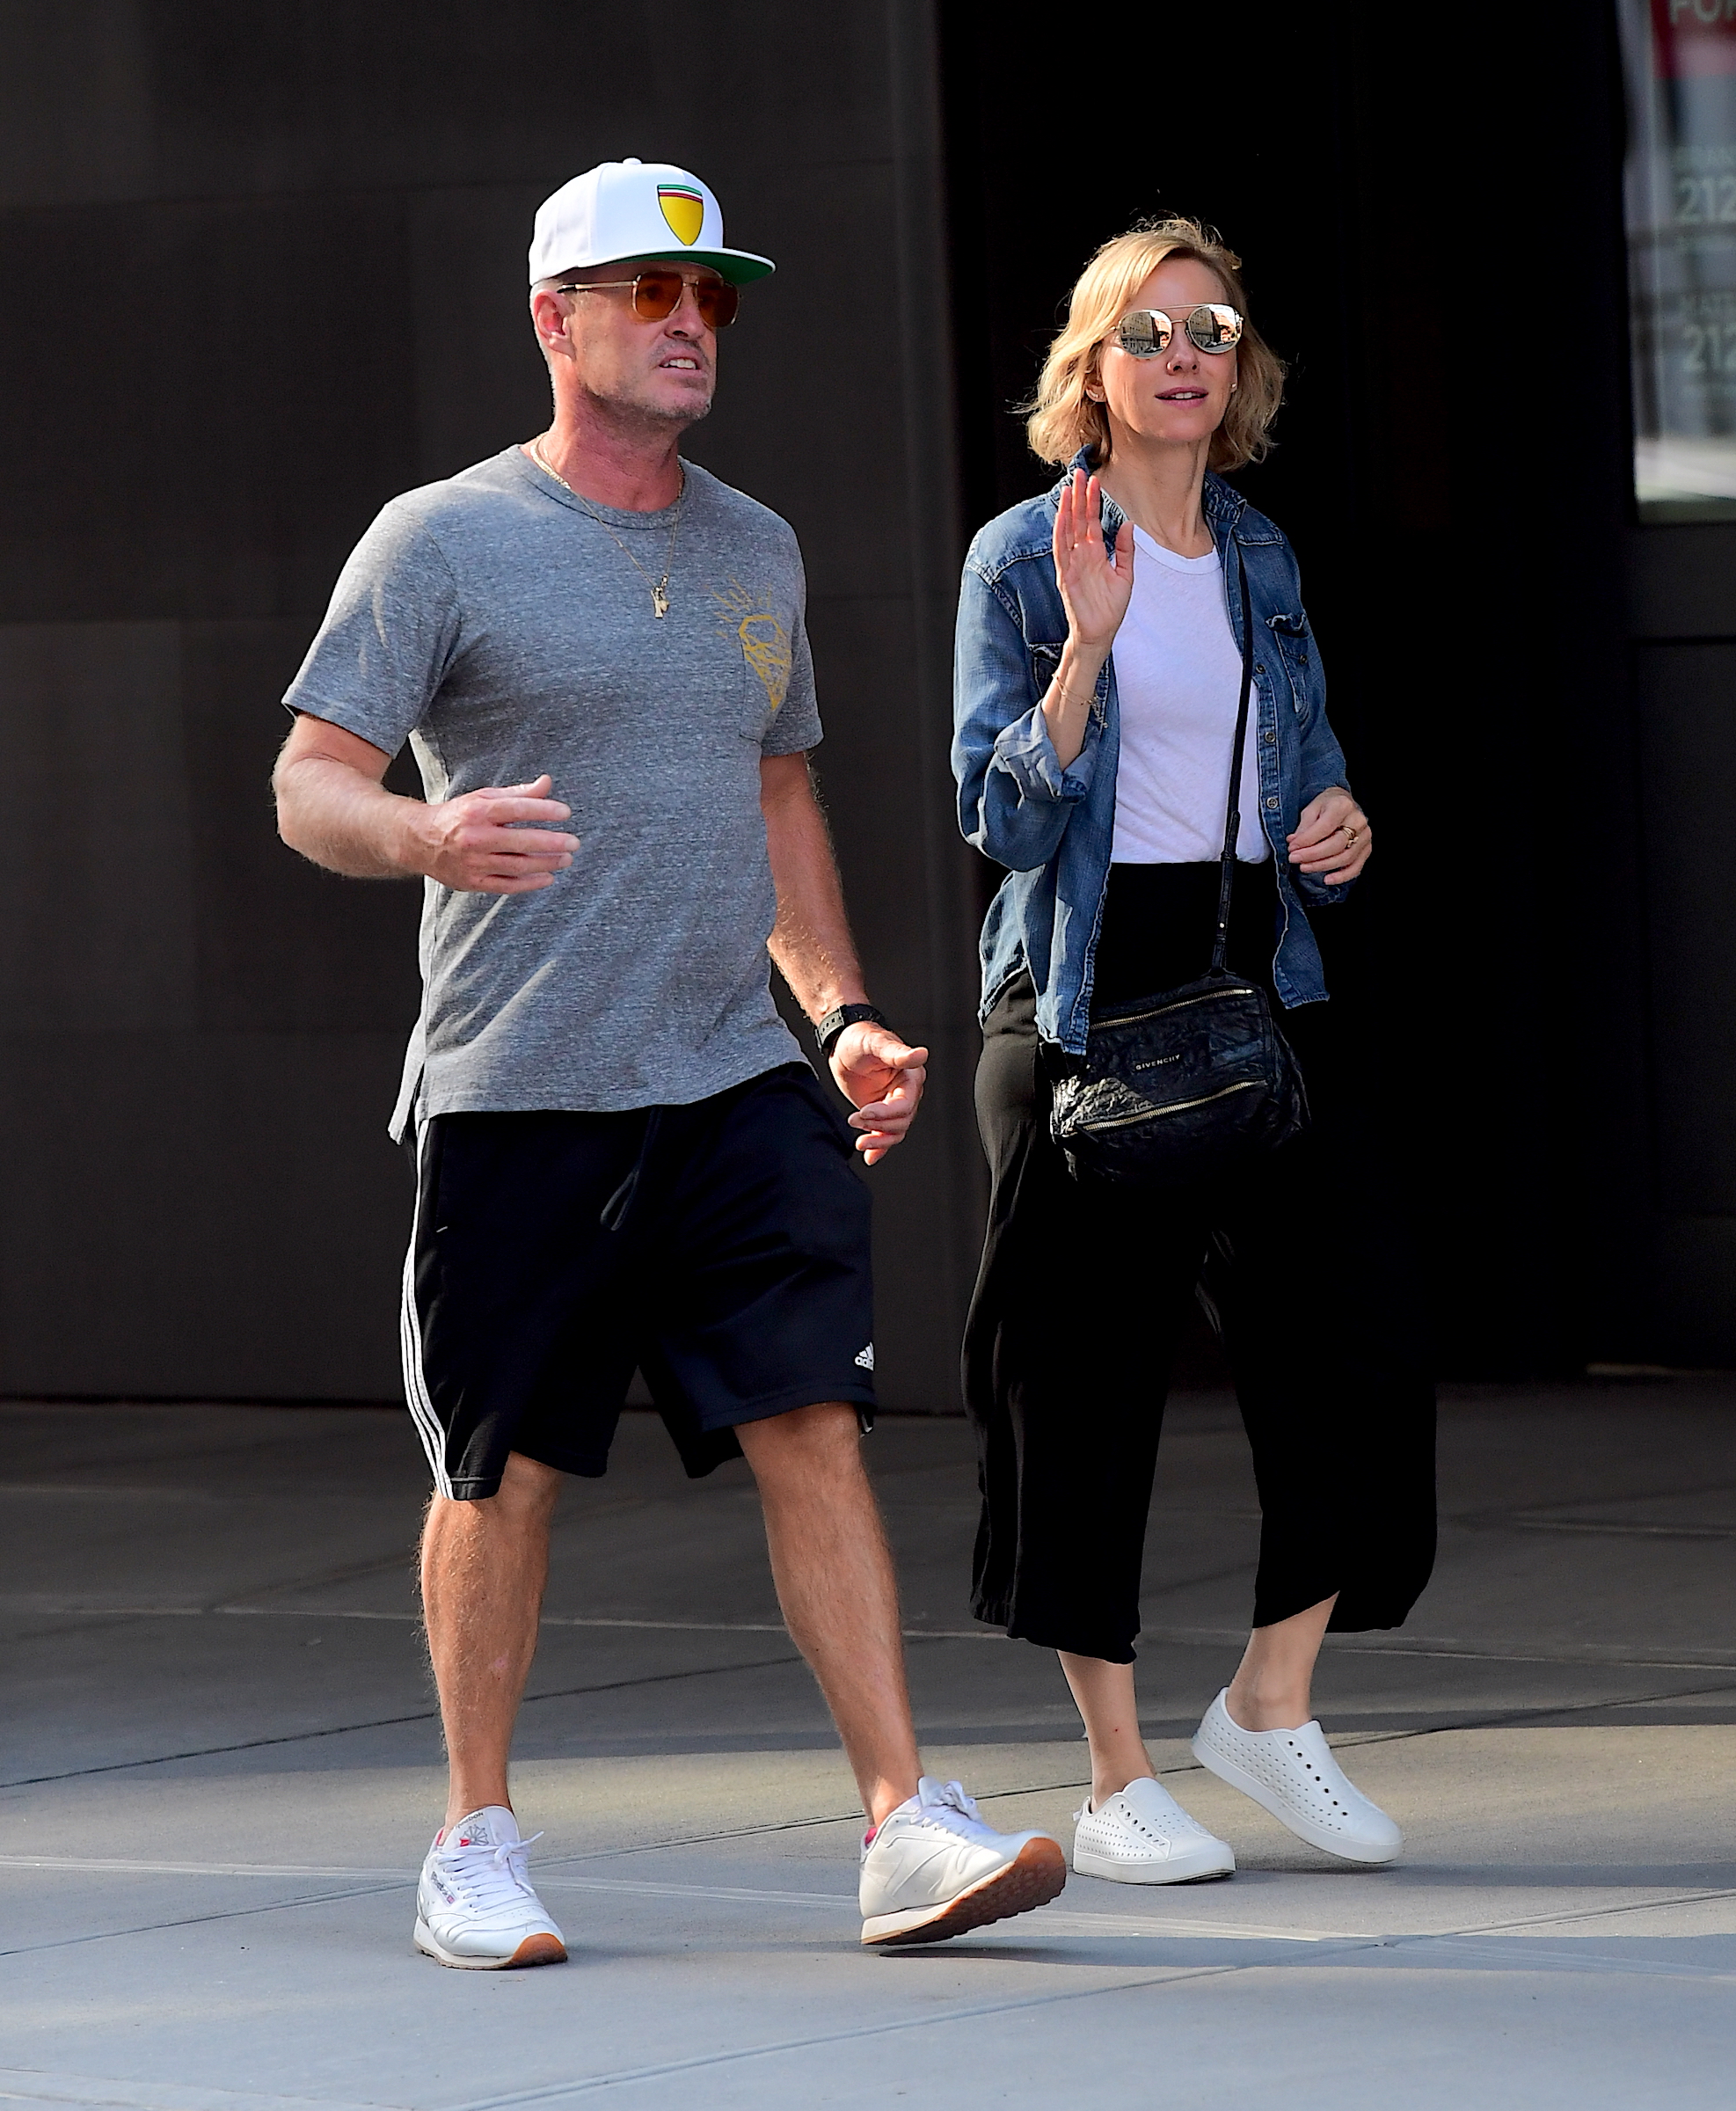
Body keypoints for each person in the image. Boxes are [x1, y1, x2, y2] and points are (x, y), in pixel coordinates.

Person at [273, 157, 1065, 1966]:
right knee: (505, 1475)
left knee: (813, 1427)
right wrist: (423, 834)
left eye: (712, 296)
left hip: (730, 1081)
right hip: (521, 1089)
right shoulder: (438, 539)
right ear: (554, 321)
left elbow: (776, 791)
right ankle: (474, 1840)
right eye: (651, 291)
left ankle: (900, 1823)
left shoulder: (754, 543)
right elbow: (310, 782)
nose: (693, 321)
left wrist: (838, 1012)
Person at [952, 218, 1437, 1883]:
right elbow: (1000, 817)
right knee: (1082, 1390)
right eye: (1148, 332)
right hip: (1086, 994)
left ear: (1240, 369)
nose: (1183, 357)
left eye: (1210, 331)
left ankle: (1267, 1703)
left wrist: (1338, 818)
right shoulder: (1024, 557)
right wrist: (1086, 646)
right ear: (1091, 369)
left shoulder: (1260, 553)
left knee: (1362, 1346)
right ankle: (1112, 1778)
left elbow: (1302, 762)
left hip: (1255, 973)